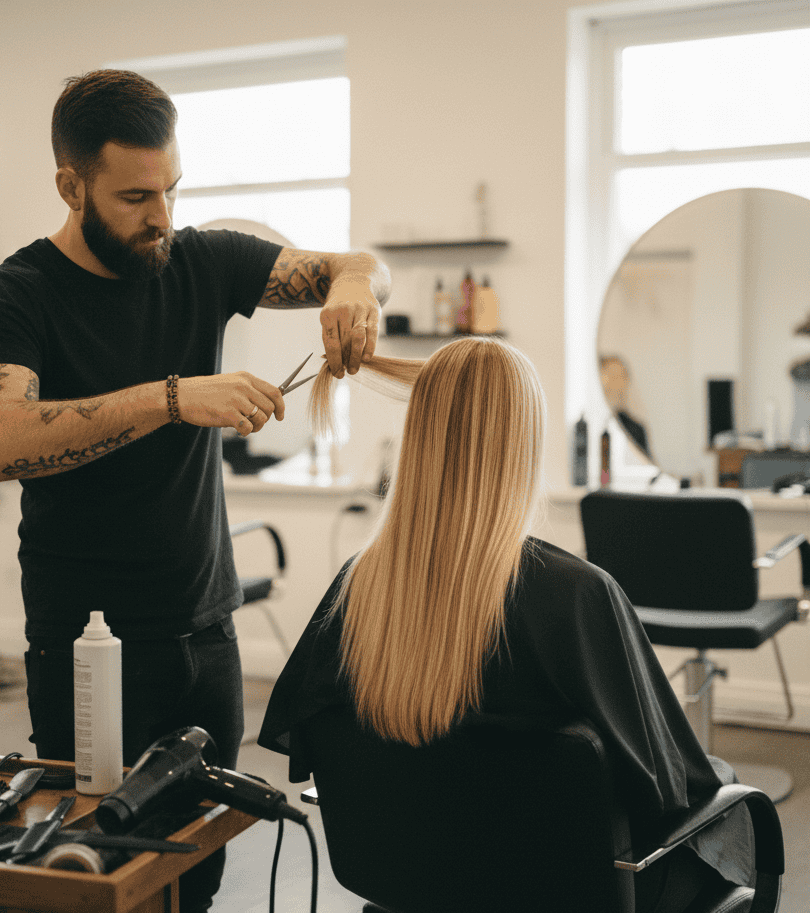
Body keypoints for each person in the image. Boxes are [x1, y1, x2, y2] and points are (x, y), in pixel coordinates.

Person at [0, 69, 390, 911]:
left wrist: (353, 287)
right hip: (89, 646)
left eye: (172, 188)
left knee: (196, 865)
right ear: (70, 185)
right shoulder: (16, 295)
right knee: (100, 865)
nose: (161, 215)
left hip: (206, 633)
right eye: (135, 196)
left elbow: (349, 262)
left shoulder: (201, 260)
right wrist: (172, 397)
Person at [259, 336, 752, 913]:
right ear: (521, 446)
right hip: (563, 894)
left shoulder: (358, 587)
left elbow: (318, 743)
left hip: (417, 881)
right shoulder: (574, 595)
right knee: (729, 801)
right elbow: (667, 786)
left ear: (419, 437)